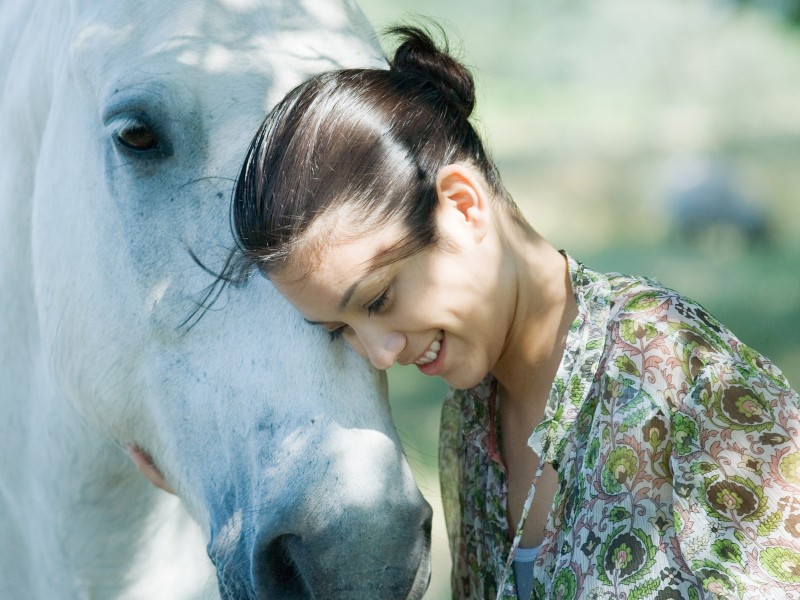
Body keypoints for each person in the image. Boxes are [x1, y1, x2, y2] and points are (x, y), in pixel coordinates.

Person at [229, 24, 800, 600]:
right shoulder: (471, 424)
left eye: (378, 299)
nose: (380, 353)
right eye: (339, 331)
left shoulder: (678, 376)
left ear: (462, 206)